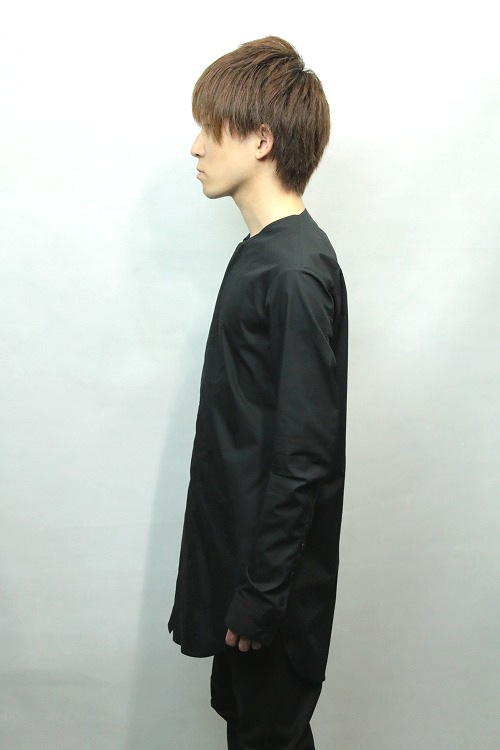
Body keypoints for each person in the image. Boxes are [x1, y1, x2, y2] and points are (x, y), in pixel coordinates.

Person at [168, 36, 348, 750]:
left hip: (268, 596)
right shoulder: (262, 256)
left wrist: (261, 596)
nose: (196, 146)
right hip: (242, 575)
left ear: (262, 140)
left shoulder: (295, 273)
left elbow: (303, 458)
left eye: (212, 128)